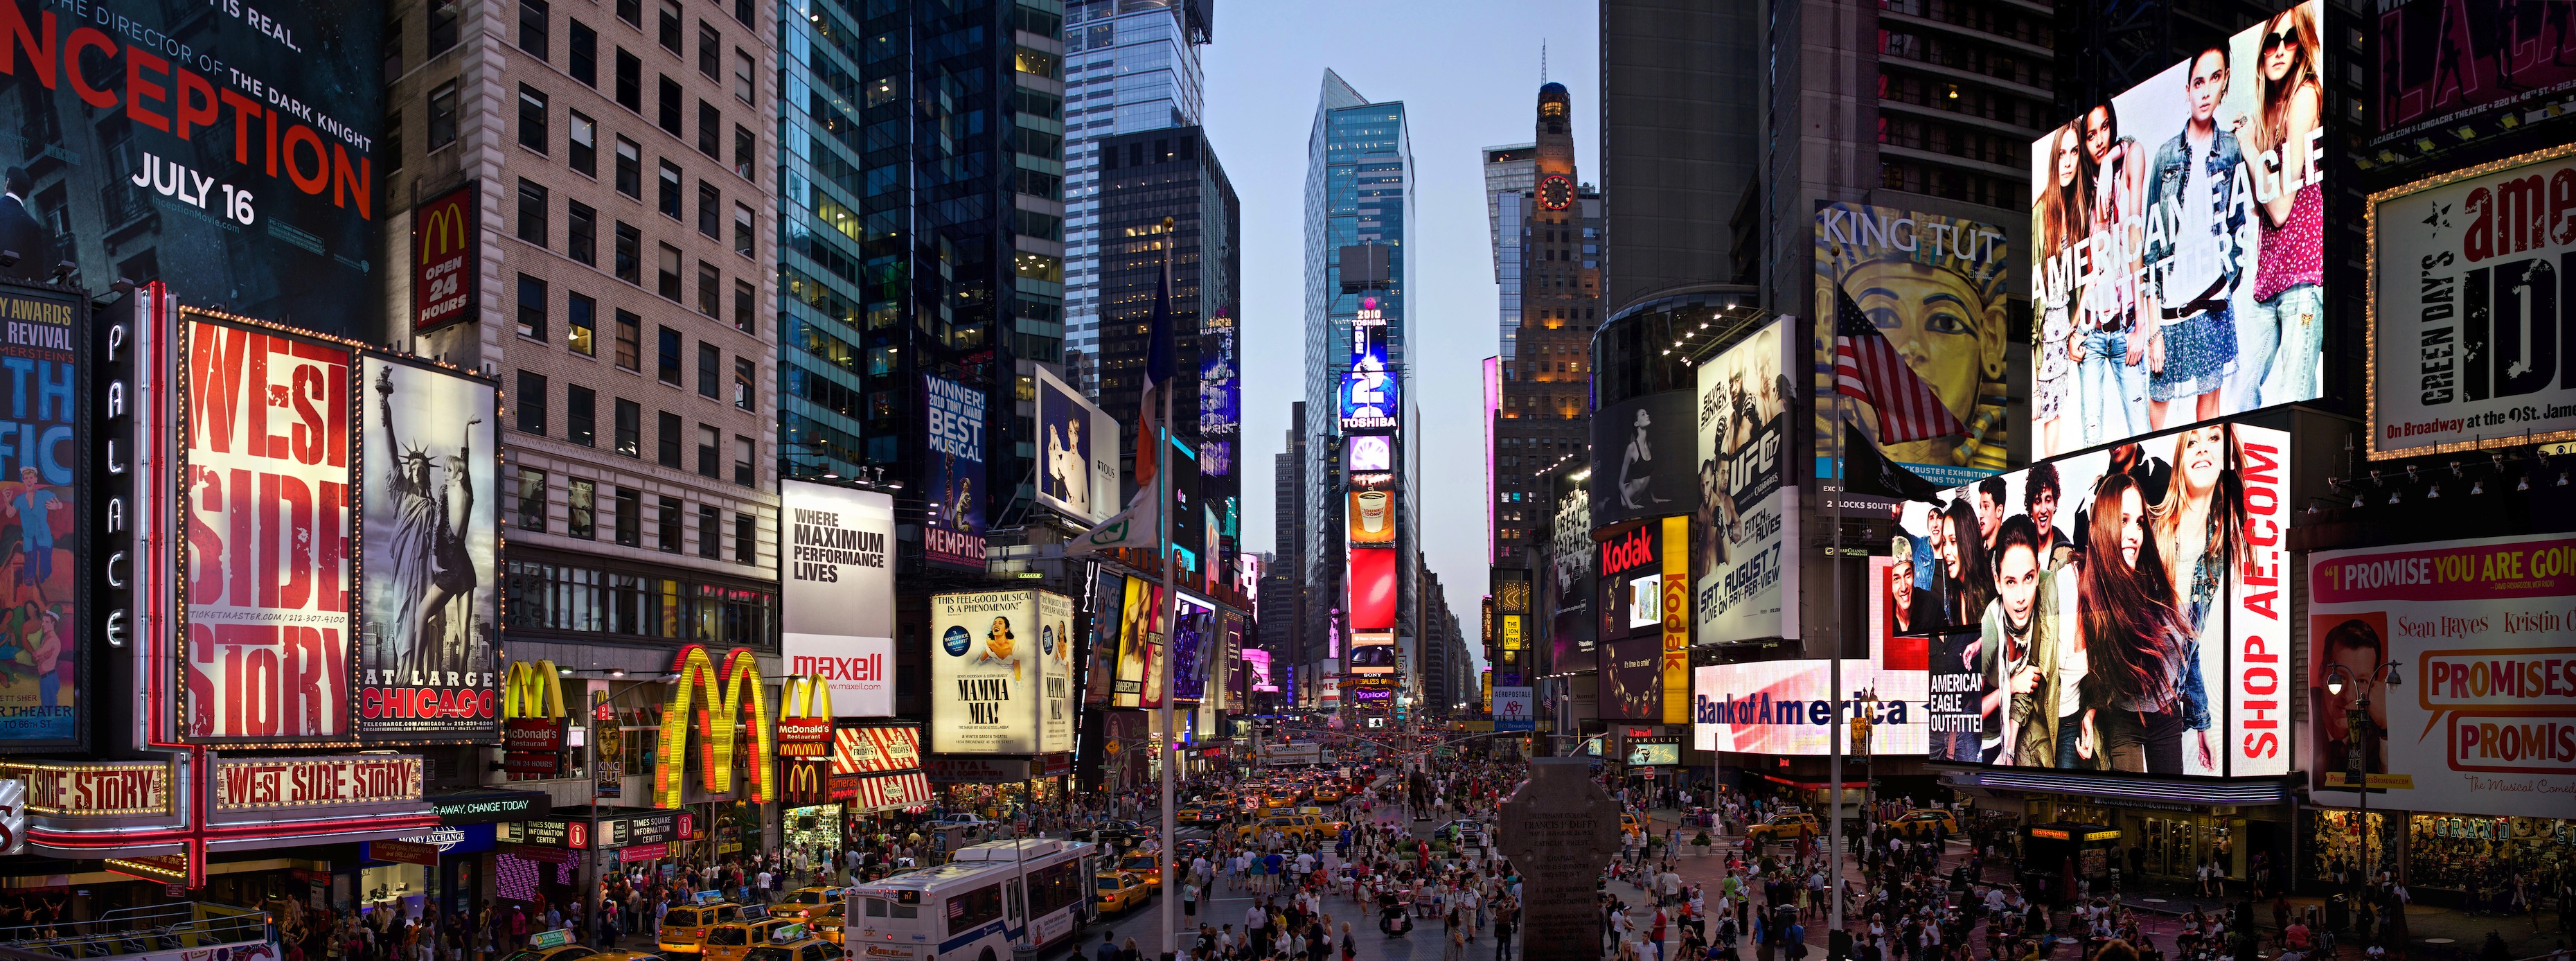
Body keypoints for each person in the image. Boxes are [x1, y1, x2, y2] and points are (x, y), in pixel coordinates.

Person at [2140, 47, 2248, 430]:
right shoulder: (2165, 156)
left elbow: (2237, 228)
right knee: (2159, 417)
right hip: (2168, 312)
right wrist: (2154, 332)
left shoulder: (2232, 149)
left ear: (2225, 83)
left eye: (2214, 79)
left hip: (2212, 306)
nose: (2205, 92)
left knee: (2208, 424)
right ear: (2187, 90)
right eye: (2198, 82)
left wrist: (2226, 281)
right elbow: (2151, 250)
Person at [2076, 102, 2149, 450]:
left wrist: (2142, 328)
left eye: (2105, 128)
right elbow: (2090, 272)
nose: (2100, 140)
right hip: (2091, 332)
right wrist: (2074, 331)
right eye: (2091, 135)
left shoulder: (2131, 158)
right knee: (2090, 440)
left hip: (2125, 330)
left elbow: (2135, 239)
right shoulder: (2083, 190)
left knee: (2143, 434)